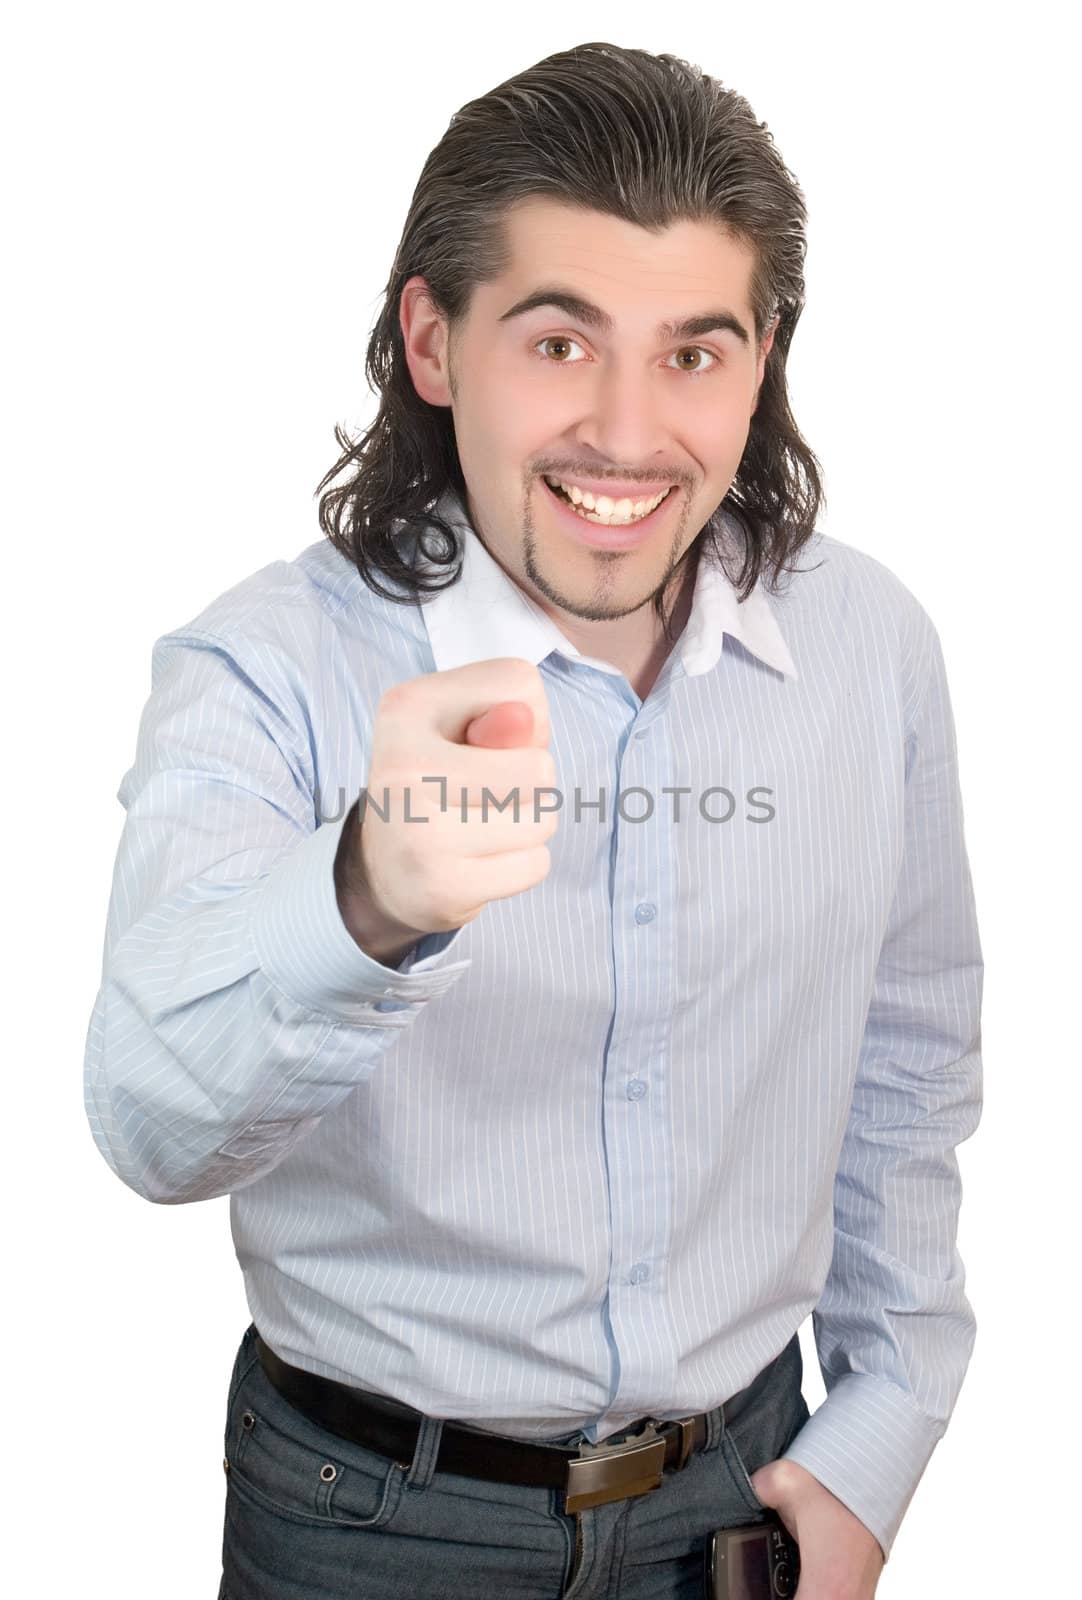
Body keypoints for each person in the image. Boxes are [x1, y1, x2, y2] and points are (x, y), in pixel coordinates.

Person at [83, 39, 983, 1600]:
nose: (629, 435)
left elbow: (906, 1057)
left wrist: (880, 1434)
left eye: (693, 353)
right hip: (369, 1526)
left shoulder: (868, 646)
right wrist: (366, 897)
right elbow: (152, 1130)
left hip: (738, 1508)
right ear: (433, 344)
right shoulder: (265, 671)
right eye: (559, 343)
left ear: (759, 358)